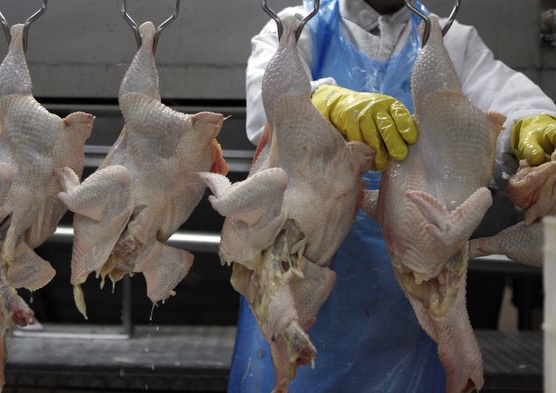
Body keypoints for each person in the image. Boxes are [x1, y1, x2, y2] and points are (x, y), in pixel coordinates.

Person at [230, 0, 556, 392]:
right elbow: (267, 104)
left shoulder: (452, 40)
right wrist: (326, 104)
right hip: (297, 290)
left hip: (412, 306)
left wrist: (533, 126)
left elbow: (508, 99)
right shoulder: (298, 26)